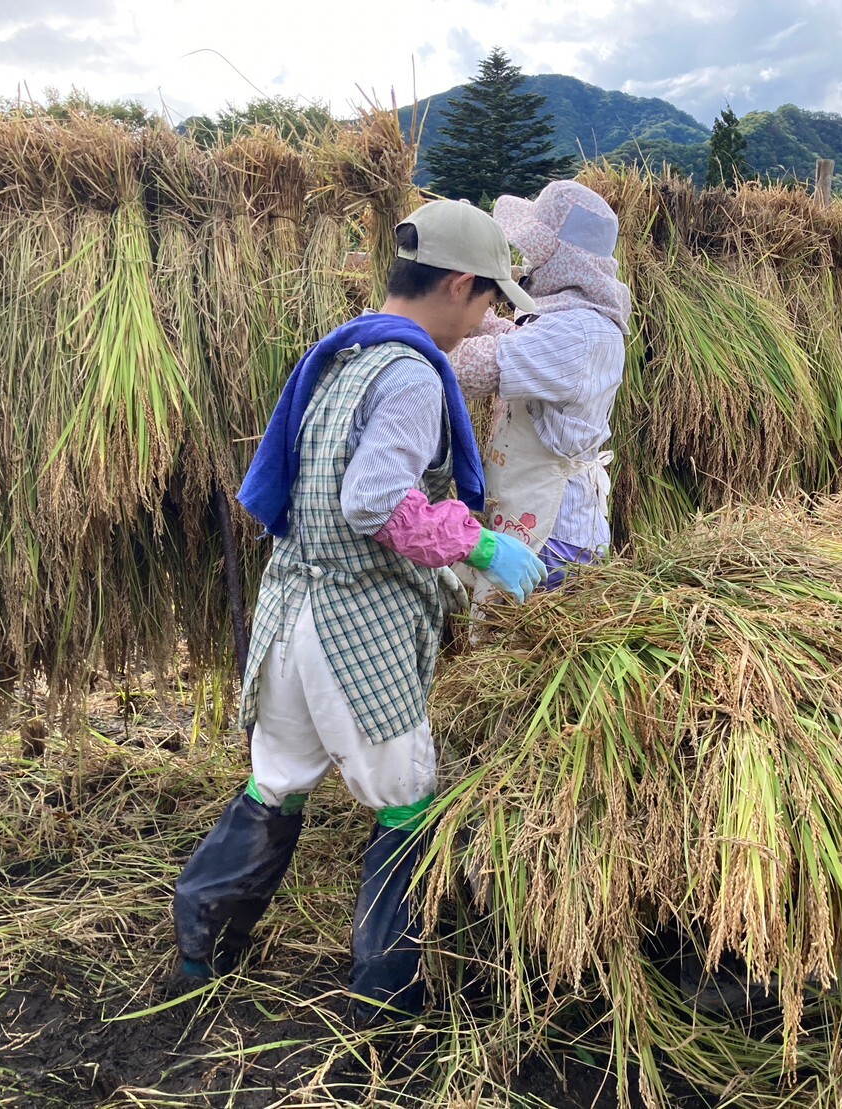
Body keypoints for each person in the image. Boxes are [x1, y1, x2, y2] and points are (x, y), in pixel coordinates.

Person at [171, 199, 545, 1024]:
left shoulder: (345, 354)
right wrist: (480, 546)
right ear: (456, 284)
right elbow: (375, 499)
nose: (485, 319)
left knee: (275, 784)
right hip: (356, 634)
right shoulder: (411, 374)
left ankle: (199, 953)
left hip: (288, 619)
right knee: (407, 800)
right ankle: (387, 999)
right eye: (488, 301)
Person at [451, 180, 632, 591]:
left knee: (524, 649)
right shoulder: (570, 320)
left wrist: (407, 332)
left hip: (553, 535)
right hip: (530, 515)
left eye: (536, 253)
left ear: (562, 260)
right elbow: (513, 337)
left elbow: (479, 367)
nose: (528, 263)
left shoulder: (581, 331)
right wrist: (472, 306)